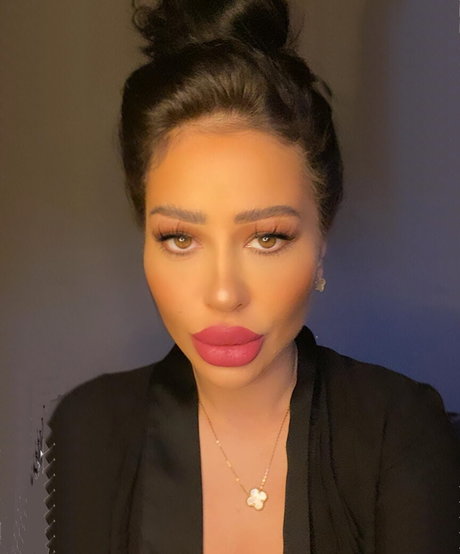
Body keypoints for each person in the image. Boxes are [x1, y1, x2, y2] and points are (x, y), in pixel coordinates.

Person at [45, 1, 460, 552]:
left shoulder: (401, 427)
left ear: (321, 243)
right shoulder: (89, 428)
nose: (223, 293)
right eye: (180, 238)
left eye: (267, 238)